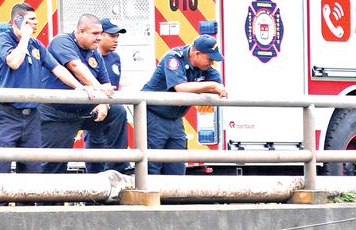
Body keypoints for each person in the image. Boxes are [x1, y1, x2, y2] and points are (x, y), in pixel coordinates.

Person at [0, 2, 86, 175]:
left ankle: (26, 203)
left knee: (32, 168)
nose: (35, 23)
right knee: (1, 164)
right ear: (17, 21)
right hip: (7, 114)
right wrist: (24, 38)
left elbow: (57, 68)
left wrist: (79, 87)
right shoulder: (3, 39)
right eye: (30, 20)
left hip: (32, 115)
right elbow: (14, 62)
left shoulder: (36, 45)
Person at [37, 13, 123, 174]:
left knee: (118, 112)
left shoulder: (95, 53)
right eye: (95, 34)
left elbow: (105, 82)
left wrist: (103, 102)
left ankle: (116, 171)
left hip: (83, 111)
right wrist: (100, 89)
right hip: (57, 114)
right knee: (53, 167)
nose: (99, 38)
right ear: (81, 31)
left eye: (101, 33)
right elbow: (76, 67)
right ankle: (47, 199)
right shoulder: (62, 41)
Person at [139, 32, 226, 177]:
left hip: (175, 119)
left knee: (177, 167)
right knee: (152, 167)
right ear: (197, 54)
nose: (212, 63)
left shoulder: (204, 67)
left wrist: (210, 93)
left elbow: (219, 87)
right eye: (210, 59)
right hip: (154, 116)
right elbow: (180, 88)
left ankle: (173, 200)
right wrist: (210, 87)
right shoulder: (173, 58)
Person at [84, 17, 130, 171]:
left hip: (113, 115)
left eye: (117, 36)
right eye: (112, 35)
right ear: (100, 35)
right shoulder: (88, 57)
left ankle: (120, 169)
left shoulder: (115, 58)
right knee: (96, 155)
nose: (116, 39)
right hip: (94, 113)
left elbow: (117, 85)